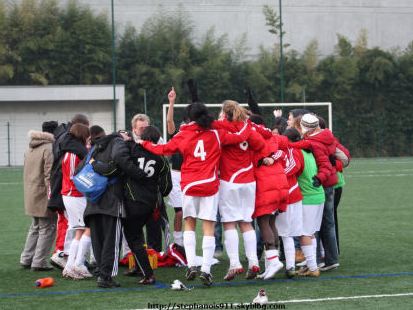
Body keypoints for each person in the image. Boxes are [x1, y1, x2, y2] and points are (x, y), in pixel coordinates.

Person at [138, 102, 252, 286]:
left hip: (190, 184)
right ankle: (206, 270)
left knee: (189, 223)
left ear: (189, 117)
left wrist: (143, 143)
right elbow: (239, 137)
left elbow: (163, 149)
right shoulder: (216, 132)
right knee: (208, 227)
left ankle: (191, 265)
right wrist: (248, 123)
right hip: (210, 185)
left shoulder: (184, 133)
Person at [83, 129, 148, 288]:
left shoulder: (96, 147)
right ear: (123, 135)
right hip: (111, 201)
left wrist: (96, 165)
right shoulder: (118, 142)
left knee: (98, 241)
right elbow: (120, 159)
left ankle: (101, 273)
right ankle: (106, 277)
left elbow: (81, 167)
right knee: (111, 241)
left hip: (93, 201)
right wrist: (141, 175)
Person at [214, 100, 268, 281]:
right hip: (248, 181)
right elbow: (262, 146)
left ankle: (235, 263)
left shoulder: (222, 128)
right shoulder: (248, 128)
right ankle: (253, 262)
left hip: (229, 181)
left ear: (224, 113)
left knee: (229, 223)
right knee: (246, 222)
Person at [123, 126, 172, 284]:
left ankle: (148, 274)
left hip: (133, 200)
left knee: (133, 237)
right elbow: (166, 188)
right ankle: (139, 267)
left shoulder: (132, 150)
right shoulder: (161, 159)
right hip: (150, 204)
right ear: (158, 140)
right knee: (137, 235)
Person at [298, 113, 339, 272]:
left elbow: (324, 163)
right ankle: (330, 258)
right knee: (326, 223)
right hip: (329, 181)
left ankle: (316, 260)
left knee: (313, 226)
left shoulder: (313, 142)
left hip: (320, 183)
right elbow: (344, 155)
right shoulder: (327, 136)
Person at [49, 114, 89, 270]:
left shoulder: (66, 144)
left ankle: (70, 260)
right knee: (78, 227)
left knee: (74, 227)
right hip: (71, 193)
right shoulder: (72, 150)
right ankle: (67, 257)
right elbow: (73, 176)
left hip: (66, 191)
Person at [20, 121, 58, 271]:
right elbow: (49, 175)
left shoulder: (30, 147)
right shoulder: (48, 148)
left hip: (31, 192)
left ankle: (26, 258)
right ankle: (39, 261)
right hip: (43, 194)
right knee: (47, 228)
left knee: (35, 227)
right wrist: (52, 196)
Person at [60, 124, 92, 280]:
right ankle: (77, 264)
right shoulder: (74, 154)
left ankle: (70, 265)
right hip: (75, 195)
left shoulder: (68, 151)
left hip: (69, 195)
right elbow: (76, 177)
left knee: (78, 230)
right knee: (88, 228)